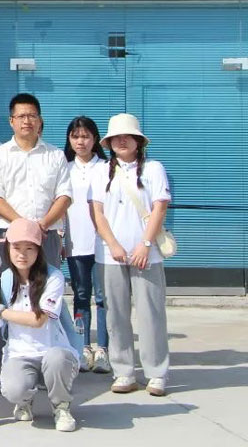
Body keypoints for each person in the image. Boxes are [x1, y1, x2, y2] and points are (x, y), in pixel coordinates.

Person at [90, 113, 171, 397]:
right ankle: (123, 371)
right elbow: (97, 212)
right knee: (116, 315)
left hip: (147, 254)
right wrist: (112, 244)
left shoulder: (153, 169)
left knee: (151, 314)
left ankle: (156, 373)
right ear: (109, 142)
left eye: (128, 136)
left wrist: (145, 244)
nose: (122, 141)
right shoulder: (101, 171)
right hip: (110, 255)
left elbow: (160, 208)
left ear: (138, 141)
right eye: (116, 137)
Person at [0, 218, 80, 433]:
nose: (22, 254)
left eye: (29, 248)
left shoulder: (53, 277)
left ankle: (61, 406)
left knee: (57, 359)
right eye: (16, 247)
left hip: (53, 351)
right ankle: (24, 401)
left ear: (39, 250)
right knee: (13, 389)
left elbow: (38, 320)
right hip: (18, 355)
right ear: (7, 248)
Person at [0, 93, 71, 272]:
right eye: (21, 116)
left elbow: (65, 196)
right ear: (11, 121)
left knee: (48, 283)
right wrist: (25, 227)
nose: (27, 121)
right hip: (10, 233)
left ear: (40, 120)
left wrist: (42, 225)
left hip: (48, 234)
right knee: (9, 284)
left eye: (32, 116)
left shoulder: (56, 155)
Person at [63, 116, 109, 373]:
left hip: (103, 244)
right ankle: (82, 347)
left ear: (95, 139)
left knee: (103, 298)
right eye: (75, 136)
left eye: (85, 136)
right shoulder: (64, 168)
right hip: (75, 242)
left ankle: (103, 349)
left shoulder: (106, 167)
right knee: (81, 296)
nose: (80, 141)